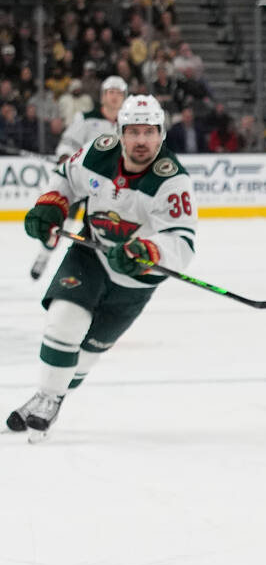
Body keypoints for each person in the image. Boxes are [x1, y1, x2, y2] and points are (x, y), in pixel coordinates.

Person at [6, 95, 197, 443]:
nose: (141, 140)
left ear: (162, 134)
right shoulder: (99, 153)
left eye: (150, 132)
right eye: (133, 131)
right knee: (64, 320)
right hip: (90, 255)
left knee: (86, 356)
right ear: (120, 133)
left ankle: (52, 395)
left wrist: (147, 251)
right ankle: (47, 397)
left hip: (135, 282)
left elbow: (181, 243)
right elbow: (65, 177)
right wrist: (51, 206)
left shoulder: (172, 182)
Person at [28, 76, 130, 281]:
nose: (115, 97)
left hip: (109, 188)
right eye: (111, 92)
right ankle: (44, 255)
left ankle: (111, 271)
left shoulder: (129, 124)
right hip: (81, 182)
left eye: (119, 93)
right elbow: (68, 143)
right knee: (59, 224)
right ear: (103, 96)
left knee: (113, 228)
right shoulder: (86, 118)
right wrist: (65, 157)